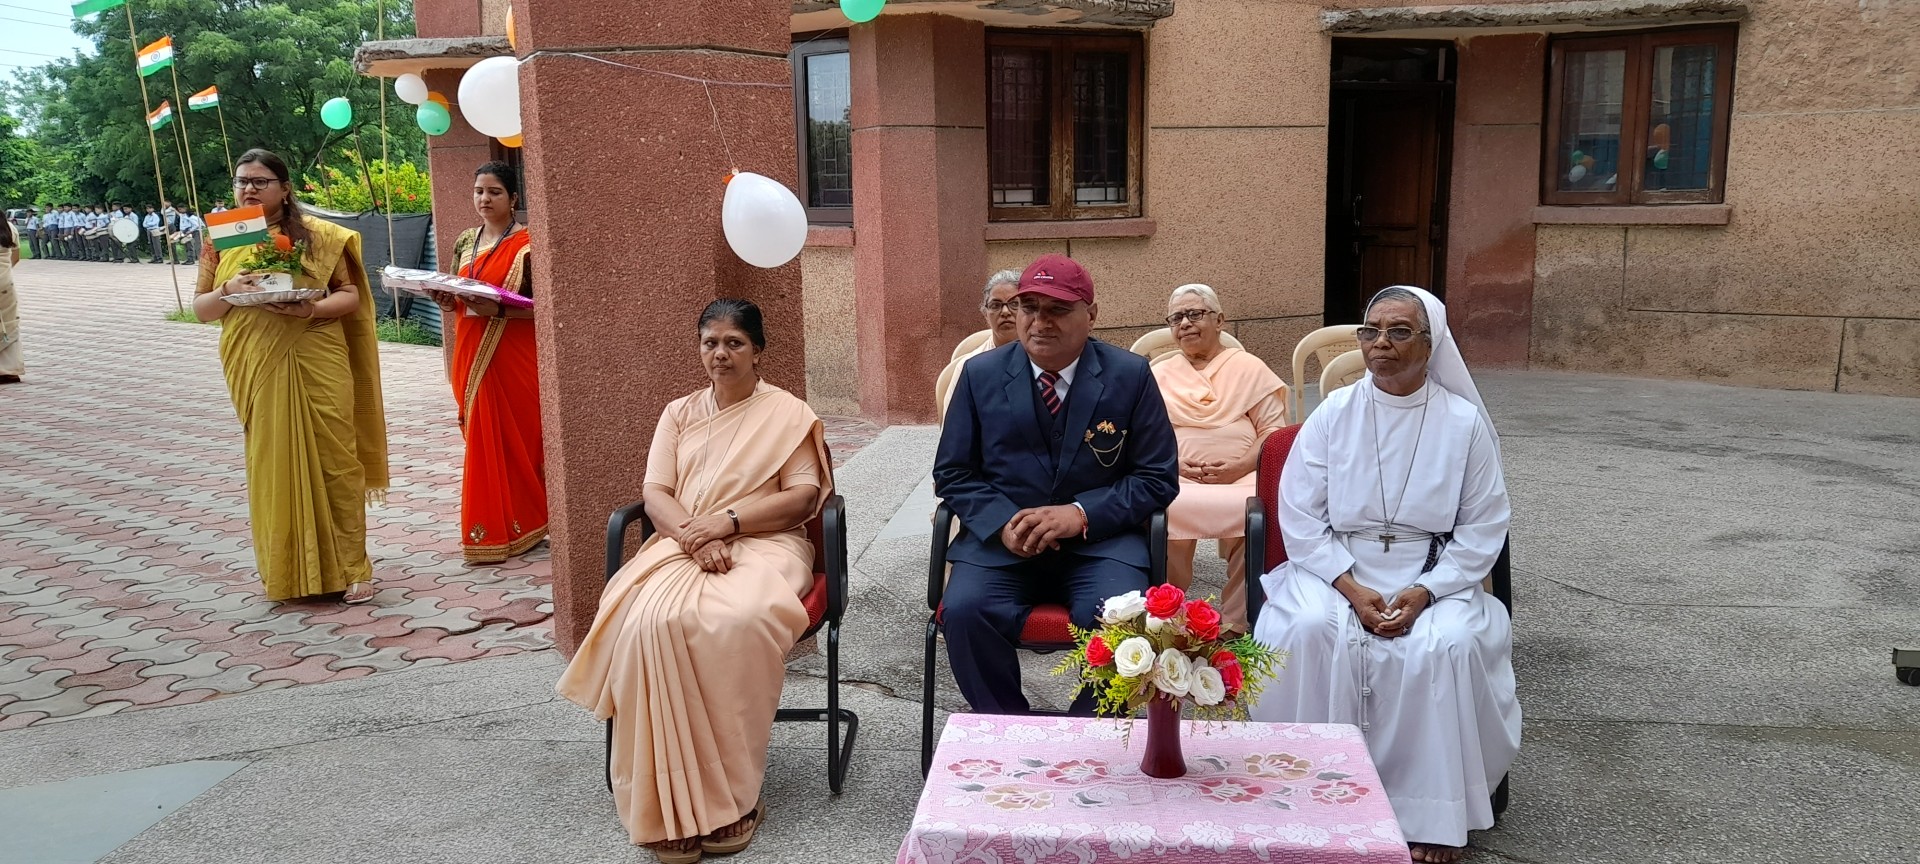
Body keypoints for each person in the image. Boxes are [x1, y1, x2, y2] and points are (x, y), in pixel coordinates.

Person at [557, 299, 832, 863]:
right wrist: (693, 537)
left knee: (734, 620)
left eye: (734, 342)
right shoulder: (678, 413)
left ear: (758, 351)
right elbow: (656, 493)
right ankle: (666, 800)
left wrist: (726, 524)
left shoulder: (788, 413)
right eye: (710, 342)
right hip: (684, 544)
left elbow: (803, 499)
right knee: (649, 622)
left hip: (766, 543)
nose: (720, 353)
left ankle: (733, 797)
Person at [1251, 285, 1518, 864]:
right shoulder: (1334, 413)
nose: (1381, 343)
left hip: (1433, 569)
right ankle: (1308, 796)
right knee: (1307, 629)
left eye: (1399, 332)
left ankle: (1432, 814)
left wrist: (1426, 591)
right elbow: (1299, 513)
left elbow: (1483, 526)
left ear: (1431, 342)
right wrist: (1350, 588)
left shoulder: (1463, 423)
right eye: (1370, 331)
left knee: (1446, 644)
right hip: (1335, 565)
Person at [933, 253, 1180, 714]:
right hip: (1002, 545)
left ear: (1092, 314)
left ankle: (1085, 733)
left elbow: (1156, 477)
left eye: (1058, 309)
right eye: (1028, 307)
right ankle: (1009, 728)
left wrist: (1080, 514)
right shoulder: (979, 375)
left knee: (1122, 621)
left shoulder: (1129, 376)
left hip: (1102, 544)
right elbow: (953, 472)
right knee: (965, 612)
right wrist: (1002, 523)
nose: (1039, 322)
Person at [190, 149, 390, 604]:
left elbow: (349, 295)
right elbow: (201, 309)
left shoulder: (318, 235)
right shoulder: (224, 235)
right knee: (273, 463)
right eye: (242, 181)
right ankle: (288, 572)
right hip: (255, 362)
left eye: (260, 181)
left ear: (284, 189)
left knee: (337, 458)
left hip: (317, 353)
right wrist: (228, 289)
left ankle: (353, 568)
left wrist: (310, 310)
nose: (249, 189)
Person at [425, 161, 546, 564]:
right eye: (479, 191)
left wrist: (499, 311)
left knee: (520, 439)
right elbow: (456, 292)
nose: (484, 199)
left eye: (494, 192)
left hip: (513, 353)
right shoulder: (465, 240)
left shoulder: (530, 244)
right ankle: (497, 526)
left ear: (513, 198)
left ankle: (528, 522)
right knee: (481, 435)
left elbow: (545, 306)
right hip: (471, 350)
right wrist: (445, 299)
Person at [1152, 283, 1289, 635]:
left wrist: (1240, 466)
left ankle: (1235, 622)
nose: (1185, 323)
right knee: (1158, 507)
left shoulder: (1249, 367)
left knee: (1257, 511)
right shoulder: (1159, 374)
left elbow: (1272, 433)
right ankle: (1169, 621)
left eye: (1194, 314)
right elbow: (1144, 435)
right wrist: (1173, 463)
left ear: (1220, 320)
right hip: (1175, 475)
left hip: (1244, 474)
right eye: (1176, 318)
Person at [935, 269, 1021, 421]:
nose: (1005, 311)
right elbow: (955, 431)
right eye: (995, 305)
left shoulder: (1046, 362)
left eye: (1014, 304)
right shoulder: (969, 369)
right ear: (985, 313)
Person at [0, 215, 22, 383]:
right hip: (5, 282)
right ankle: (9, 369)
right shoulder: (9, 228)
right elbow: (16, 256)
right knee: (9, 323)